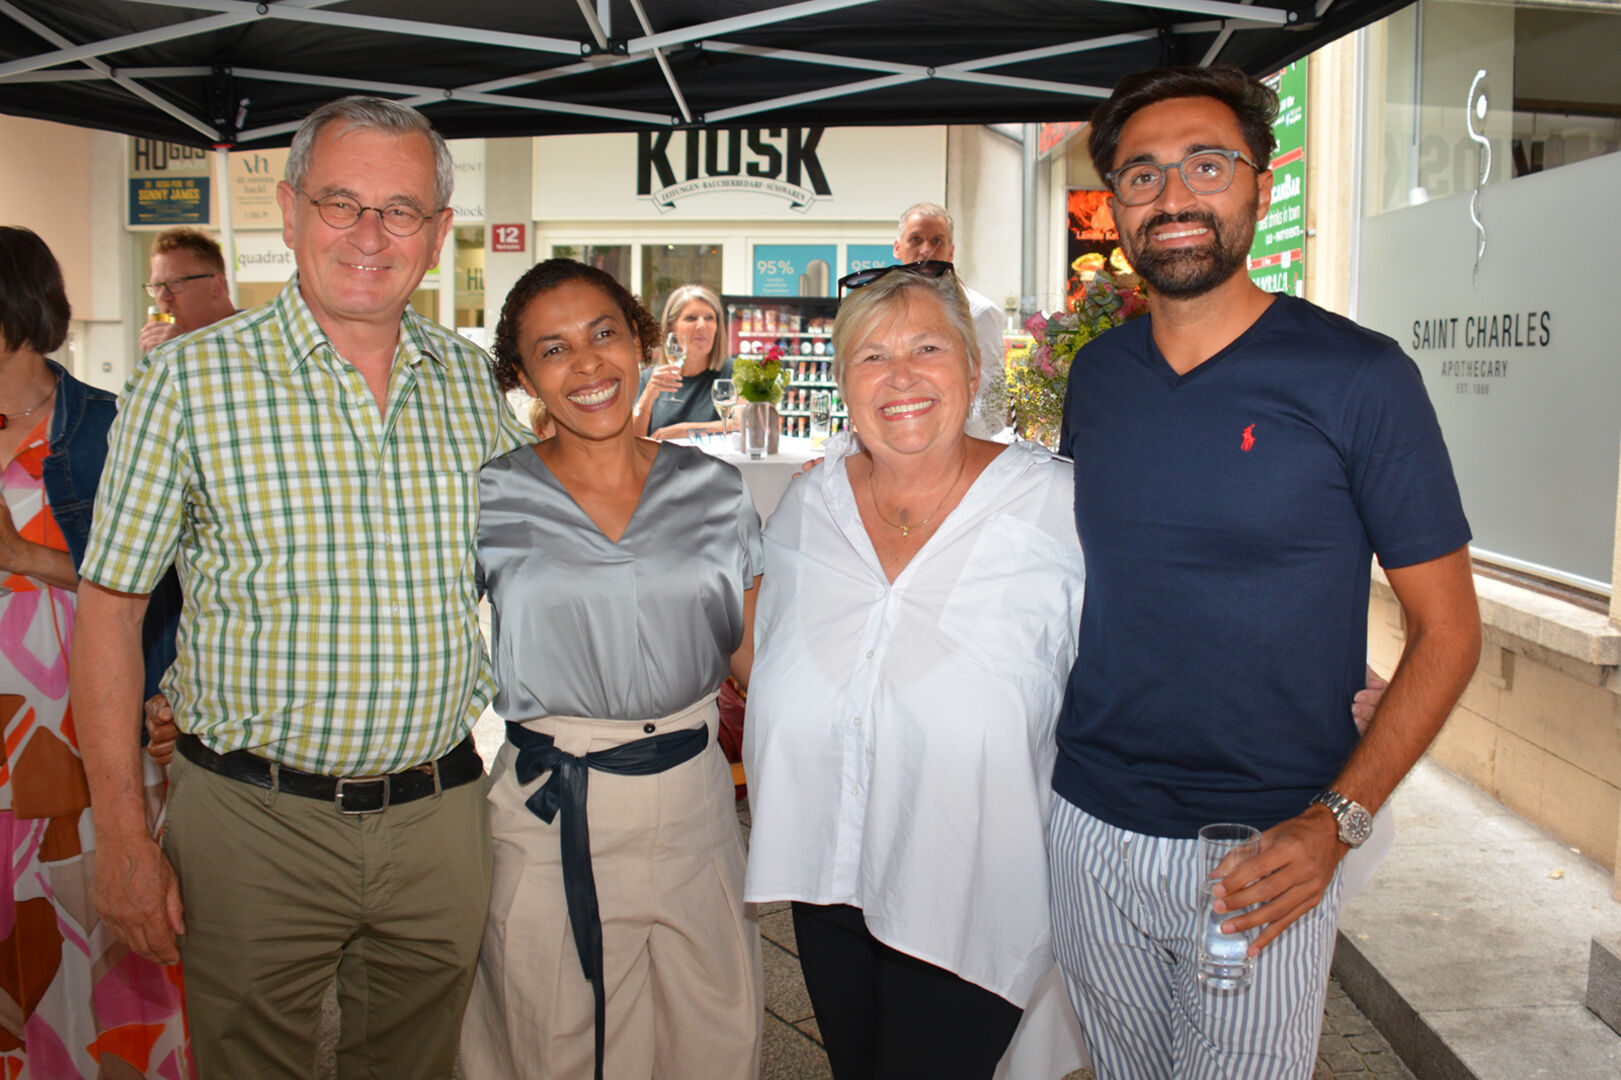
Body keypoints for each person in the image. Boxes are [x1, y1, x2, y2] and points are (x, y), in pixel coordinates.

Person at [70, 95, 530, 1078]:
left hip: (439, 816)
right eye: (340, 203)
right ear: (288, 212)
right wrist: (120, 835)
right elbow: (107, 613)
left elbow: (550, 555)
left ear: (439, 232)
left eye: (400, 209)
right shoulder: (187, 384)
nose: (370, 234)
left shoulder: (469, 385)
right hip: (249, 823)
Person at [1049, 66, 1481, 1080]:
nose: (1174, 198)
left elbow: (1451, 630)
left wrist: (1338, 821)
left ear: (1258, 183)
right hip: (1090, 822)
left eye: (1207, 165)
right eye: (1142, 175)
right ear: (1114, 203)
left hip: (1266, 844)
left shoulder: (1360, 378)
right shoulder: (1100, 377)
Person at [742, 261, 1087, 1080]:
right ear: (841, 384)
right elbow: (764, 644)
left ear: (972, 369)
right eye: (870, 356)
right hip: (828, 871)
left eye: (927, 347)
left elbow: (1159, 639)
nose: (899, 376)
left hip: (970, 883)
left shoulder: (1056, 507)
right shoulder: (808, 504)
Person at [460, 259, 763, 1080]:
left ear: (640, 340)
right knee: (549, 1036)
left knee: (708, 1030)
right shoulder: (488, 497)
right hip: (550, 805)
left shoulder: (715, 491)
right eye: (552, 350)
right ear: (521, 377)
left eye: (602, 333)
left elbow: (758, 657)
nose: (587, 364)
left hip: (695, 797)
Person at [0, 226, 189, 1076]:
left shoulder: (108, 430)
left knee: (97, 978)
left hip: (82, 750)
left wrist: (25, 556)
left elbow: (170, 583)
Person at [891, 202, 1010, 439]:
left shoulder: (979, 314)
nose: (926, 250)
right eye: (916, 239)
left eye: (937, 241)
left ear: (951, 252)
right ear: (897, 248)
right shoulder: (881, 312)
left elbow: (993, 407)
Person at [633, 283, 734, 440]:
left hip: (714, 464)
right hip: (663, 464)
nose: (702, 325)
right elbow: (632, 442)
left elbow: (745, 423)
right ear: (671, 326)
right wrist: (647, 397)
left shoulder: (732, 372)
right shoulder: (649, 379)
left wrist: (687, 430)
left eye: (709, 318)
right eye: (691, 318)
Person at [138, 226, 237, 354]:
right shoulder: (168, 349)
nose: (163, 296)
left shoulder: (260, 337)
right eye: (157, 286)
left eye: (175, 282)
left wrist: (186, 350)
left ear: (216, 286)